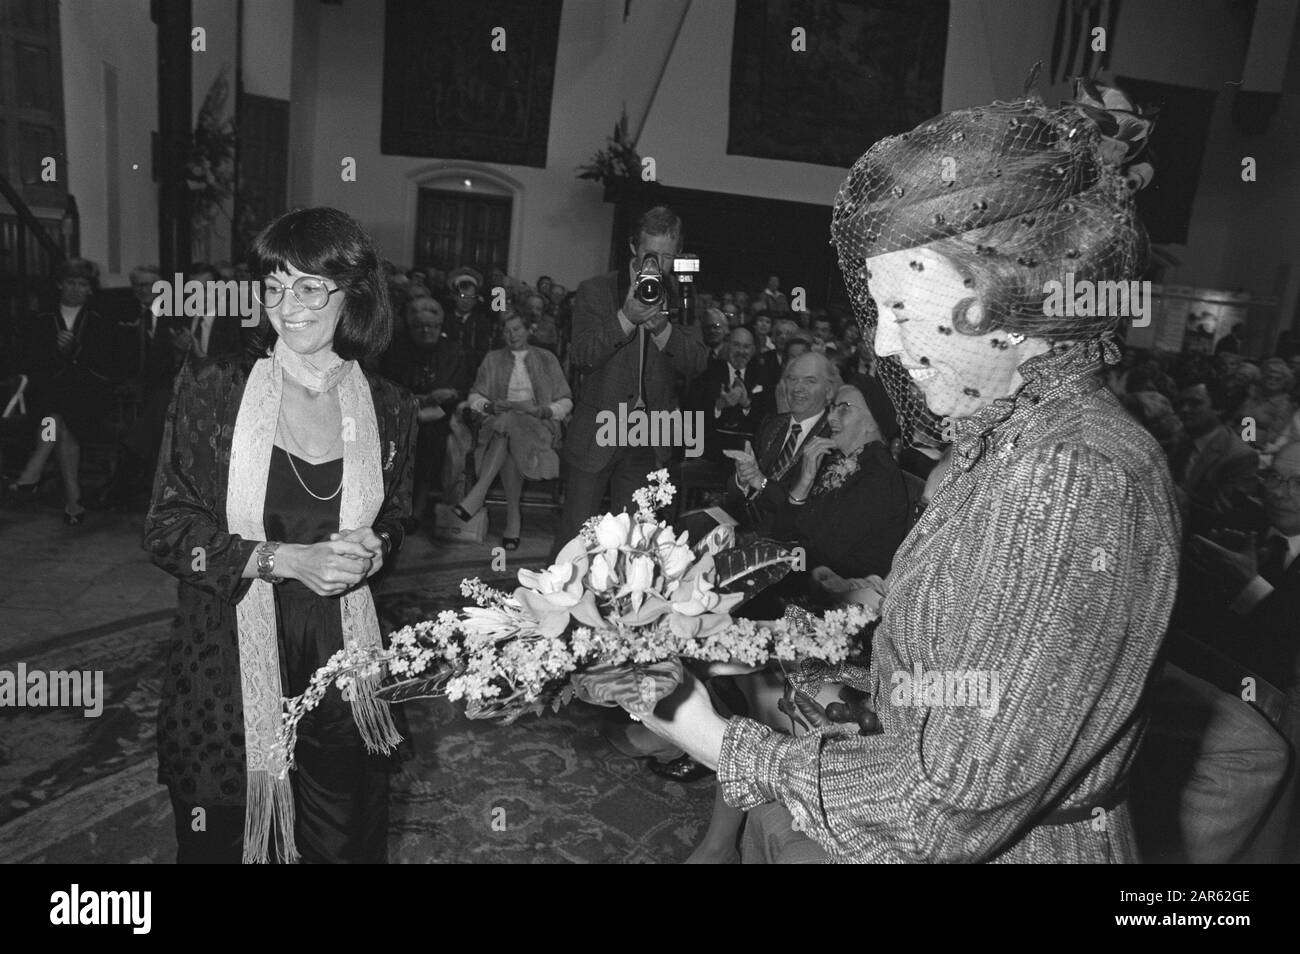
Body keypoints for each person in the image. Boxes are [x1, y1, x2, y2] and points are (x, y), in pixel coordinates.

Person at [628, 84, 1181, 863]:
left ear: (1006, 290)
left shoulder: (1071, 472)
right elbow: (984, 685)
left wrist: (727, 743)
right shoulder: (1019, 439)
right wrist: (890, 700)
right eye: (878, 307)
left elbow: (949, 809)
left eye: (906, 303)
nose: (884, 345)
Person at [142, 207, 417, 864]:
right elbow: (167, 529)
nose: (287, 305)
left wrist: (378, 547)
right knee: (224, 843)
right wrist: (283, 558)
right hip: (228, 653)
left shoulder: (390, 406)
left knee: (340, 843)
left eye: (309, 287)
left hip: (339, 660)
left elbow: (399, 514)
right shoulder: (215, 388)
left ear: (354, 293)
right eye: (274, 285)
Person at [1134, 439, 1300, 862]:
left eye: (1297, 482)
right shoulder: (1254, 534)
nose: (1281, 491)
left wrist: (1249, 589)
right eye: (1275, 478)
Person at [554, 206, 707, 554]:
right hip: (598, 429)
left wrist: (662, 329)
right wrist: (625, 318)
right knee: (574, 542)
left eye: (668, 257)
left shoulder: (683, 294)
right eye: (650, 254)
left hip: (648, 436)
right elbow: (582, 356)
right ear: (632, 247)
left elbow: (697, 362)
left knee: (634, 547)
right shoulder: (596, 290)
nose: (659, 265)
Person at [7, 258, 113, 525]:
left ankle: (34, 468)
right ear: (60, 285)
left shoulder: (100, 318)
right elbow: (27, 359)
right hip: (49, 392)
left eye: (82, 284)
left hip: (89, 394)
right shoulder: (41, 317)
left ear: (90, 289)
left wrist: (75, 351)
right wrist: (55, 351)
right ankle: (74, 502)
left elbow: (106, 361)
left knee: (57, 413)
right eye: (71, 283)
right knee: (60, 423)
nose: (76, 289)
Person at [456, 313, 571, 549]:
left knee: (508, 425)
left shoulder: (546, 358)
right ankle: (513, 519)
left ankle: (478, 494)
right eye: (507, 331)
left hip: (538, 425)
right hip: (500, 424)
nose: (512, 335)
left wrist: (545, 411)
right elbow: (475, 396)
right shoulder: (493, 358)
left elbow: (566, 400)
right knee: (507, 426)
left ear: (529, 330)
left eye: (517, 329)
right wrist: (488, 405)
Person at [380, 296, 470, 527]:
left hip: (442, 414)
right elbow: (385, 384)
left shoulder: (454, 351)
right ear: (410, 327)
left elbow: (465, 388)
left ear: (440, 327)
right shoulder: (396, 349)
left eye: (432, 326)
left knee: (428, 440)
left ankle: (416, 508)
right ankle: (393, 504)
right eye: (419, 327)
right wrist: (411, 398)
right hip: (403, 411)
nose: (426, 331)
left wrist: (450, 393)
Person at [726, 351, 836, 532]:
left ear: (829, 391)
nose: (798, 388)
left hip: (792, 543)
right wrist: (742, 479)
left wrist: (760, 481)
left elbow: (806, 506)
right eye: (792, 379)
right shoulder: (772, 424)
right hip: (744, 529)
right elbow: (734, 492)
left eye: (810, 381)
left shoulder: (831, 439)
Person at [1172, 368, 1258, 537]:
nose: (1184, 409)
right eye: (1181, 403)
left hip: (1198, 539)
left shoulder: (1240, 456)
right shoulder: (1181, 440)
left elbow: (1221, 516)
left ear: (1218, 408)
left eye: (1194, 403)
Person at [689, 327, 774, 461]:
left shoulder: (763, 375)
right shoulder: (709, 372)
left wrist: (746, 403)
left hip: (751, 451)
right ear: (727, 346)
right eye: (736, 345)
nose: (741, 351)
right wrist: (719, 406)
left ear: (753, 350)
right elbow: (693, 412)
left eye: (746, 347)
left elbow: (768, 418)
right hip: (714, 450)